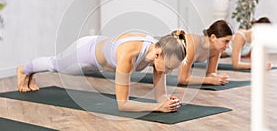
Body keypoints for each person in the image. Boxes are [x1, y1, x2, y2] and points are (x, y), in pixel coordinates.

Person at [17, 30, 187, 112]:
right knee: (54, 65)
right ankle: (24, 70)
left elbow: (160, 96)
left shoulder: (159, 52)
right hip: (84, 53)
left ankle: (31, 75)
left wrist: (167, 101)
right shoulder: (129, 55)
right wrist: (158, 107)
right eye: (169, 67)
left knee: (54, 65)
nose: (169, 72)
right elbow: (123, 104)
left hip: (99, 53)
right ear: (158, 54)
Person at [177, 20, 233, 86]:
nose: (228, 46)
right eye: (226, 41)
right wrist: (211, 80)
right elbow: (182, 79)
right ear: (213, 37)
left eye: (229, 42)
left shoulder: (216, 49)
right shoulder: (192, 44)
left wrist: (218, 78)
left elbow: (211, 73)